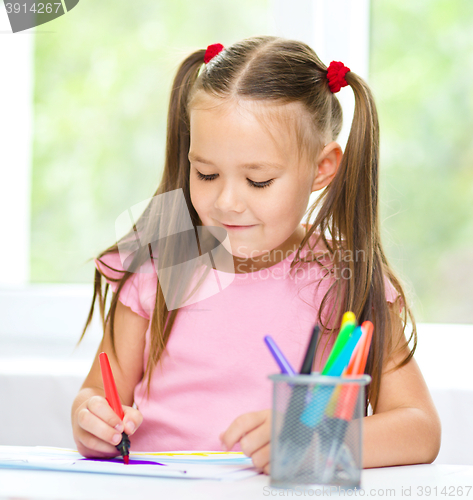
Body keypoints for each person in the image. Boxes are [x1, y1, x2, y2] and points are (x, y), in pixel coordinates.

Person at [71, 36, 441, 475]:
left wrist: (312, 441)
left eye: (258, 181)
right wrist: (92, 420)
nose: (227, 202)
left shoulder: (345, 278)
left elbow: (420, 429)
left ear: (322, 168)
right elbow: (97, 392)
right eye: (206, 173)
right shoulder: (161, 261)